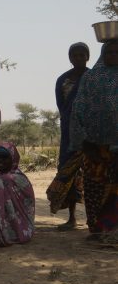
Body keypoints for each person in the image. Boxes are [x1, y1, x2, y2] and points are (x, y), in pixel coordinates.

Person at [69, 39, 118, 243]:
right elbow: (78, 109)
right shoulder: (91, 78)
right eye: (109, 52)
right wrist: (83, 142)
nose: (112, 55)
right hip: (94, 146)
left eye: (117, 52)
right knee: (94, 187)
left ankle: (113, 231)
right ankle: (96, 229)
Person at [46, 42, 90, 230]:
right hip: (69, 135)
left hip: (91, 134)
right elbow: (62, 108)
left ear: (87, 57)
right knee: (69, 173)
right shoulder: (62, 80)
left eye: (82, 55)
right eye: (75, 55)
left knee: (93, 175)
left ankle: (94, 219)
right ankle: (72, 218)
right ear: (70, 58)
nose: (78, 58)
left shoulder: (93, 77)